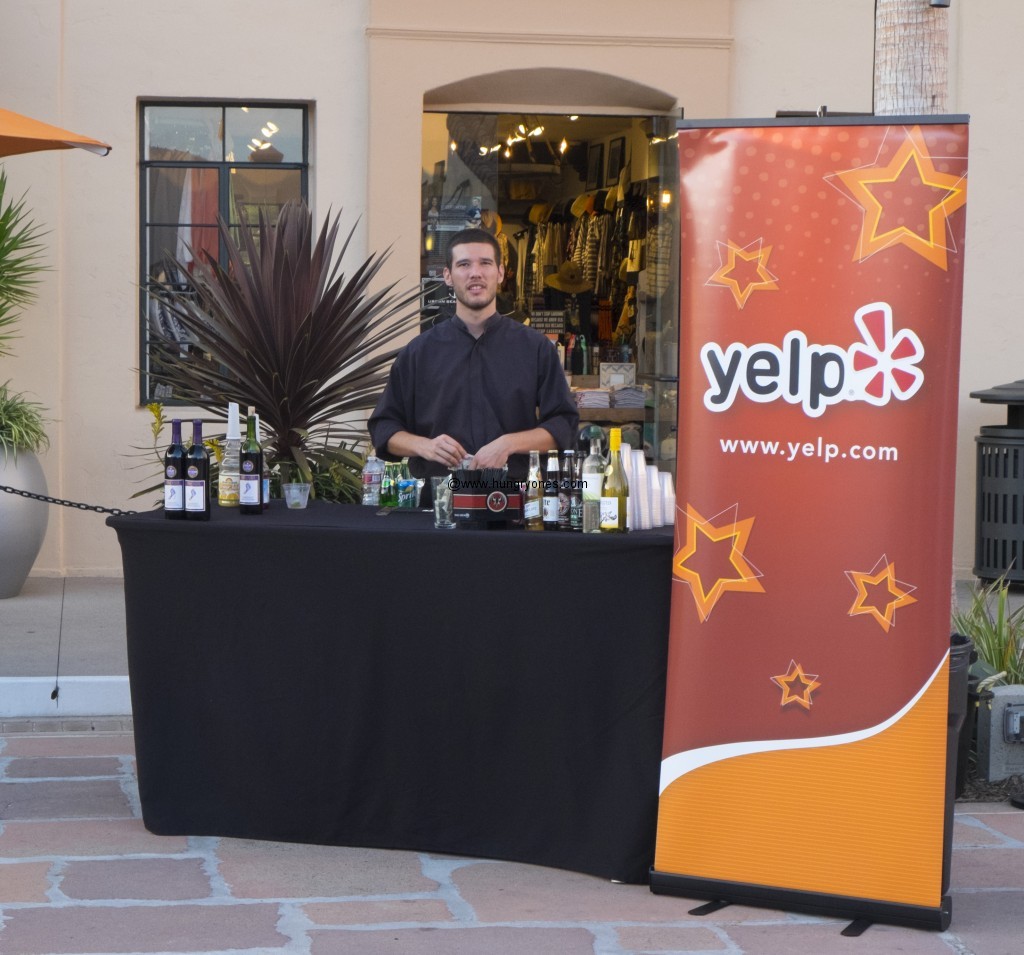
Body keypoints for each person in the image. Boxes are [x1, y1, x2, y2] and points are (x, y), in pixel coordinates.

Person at [369, 227, 579, 482]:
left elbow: (564, 425)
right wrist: (425, 446)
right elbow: (384, 428)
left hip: (516, 503)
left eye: (486, 263)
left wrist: (508, 444)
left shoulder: (535, 348)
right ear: (447, 275)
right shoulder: (419, 353)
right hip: (439, 505)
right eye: (464, 264)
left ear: (500, 273)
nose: (475, 273)